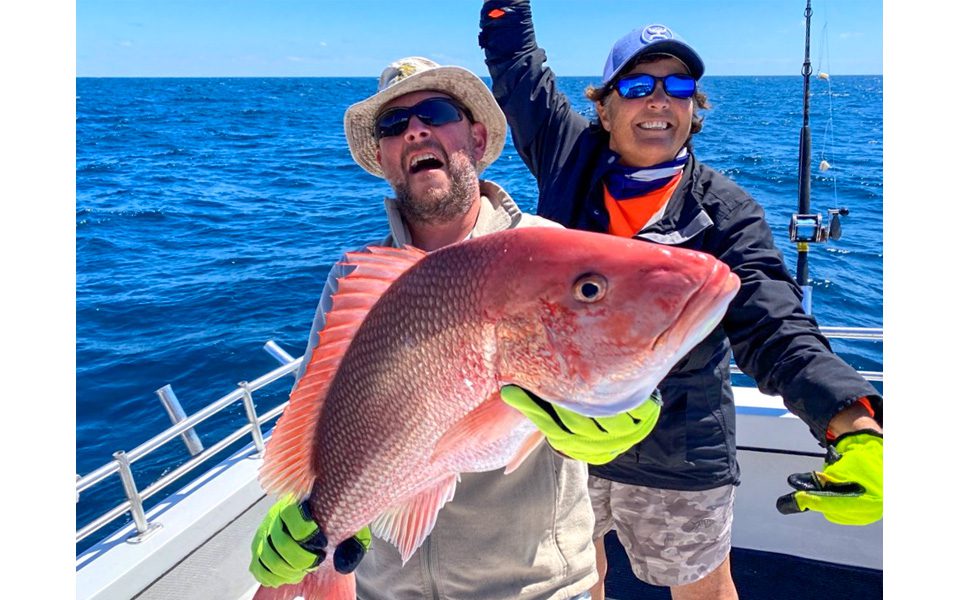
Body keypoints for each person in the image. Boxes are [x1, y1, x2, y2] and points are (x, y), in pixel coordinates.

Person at [478, 3, 883, 600]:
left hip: (680, 447)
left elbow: (774, 327)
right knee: (576, 576)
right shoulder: (569, 159)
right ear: (606, 106)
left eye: (679, 86)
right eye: (638, 85)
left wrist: (853, 425)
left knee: (704, 590)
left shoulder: (728, 211)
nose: (659, 100)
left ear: (694, 109)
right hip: (566, 433)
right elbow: (516, 65)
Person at [248, 56, 662, 599]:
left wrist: (627, 407)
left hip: (533, 588)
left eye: (435, 111)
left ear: (476, 133)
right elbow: (320, 405)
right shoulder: (355, 277)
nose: (415, 129)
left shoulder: (547, 254)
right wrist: (303, 504)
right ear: (382, 155)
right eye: (393, 125)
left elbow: (609, 347)